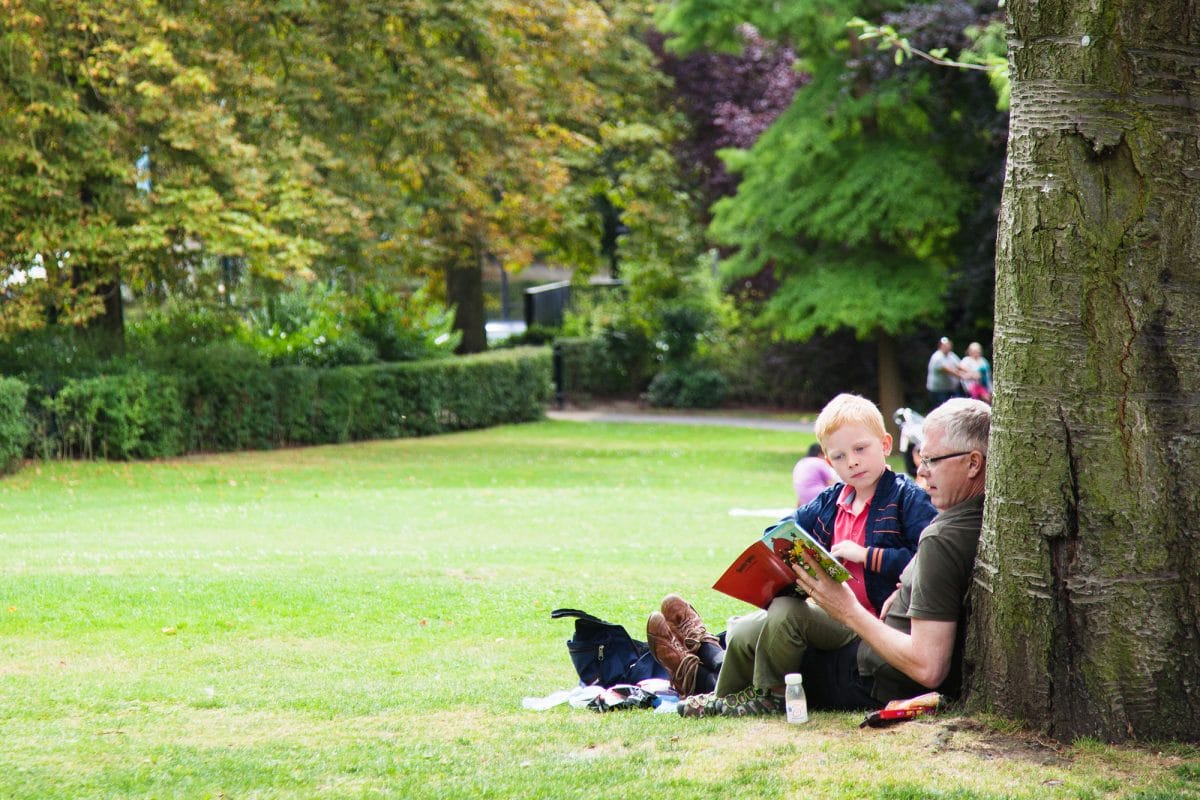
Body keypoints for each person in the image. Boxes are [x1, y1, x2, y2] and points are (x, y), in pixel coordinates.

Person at [678, 398, 989, 717]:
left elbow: (928, 661)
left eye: (932, 460)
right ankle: (717, 692)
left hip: (866, 635)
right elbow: (781, 530)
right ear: (828, 460)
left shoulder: (911, 504)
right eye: (839, 456)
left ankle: (720, 670)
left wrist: (871, 561)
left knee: (784, 617)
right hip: (845, 624)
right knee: (744, 631)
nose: (921, 471)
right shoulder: (833, 501)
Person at [926, 337, 966, 408]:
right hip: (938, 391)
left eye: (948, 345)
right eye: (944, 345)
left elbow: (960, 366)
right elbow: (949, 371)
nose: (947, 347)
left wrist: (971, 372)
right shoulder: (937, 358)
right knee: (942, 410)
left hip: (950, 389)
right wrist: (966, 376)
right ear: (940, 346)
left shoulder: (951, 355)